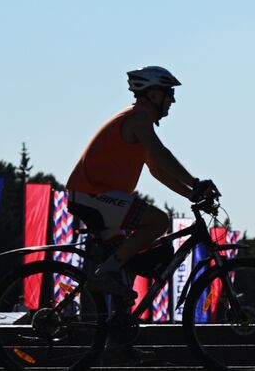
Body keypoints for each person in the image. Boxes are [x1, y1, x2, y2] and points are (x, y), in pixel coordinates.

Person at [67, 65, 217, 365]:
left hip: (98, 198)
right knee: (159, 221)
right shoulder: (137, 118)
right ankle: (101, 276)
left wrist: (191, 194)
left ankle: (117, 344)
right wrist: (196, 183)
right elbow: (161, 156)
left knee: (129, 265)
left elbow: (158, 171)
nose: (172, 100)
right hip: (92, 195)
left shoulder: (140, 122)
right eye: (169, 94)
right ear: (152, 94)